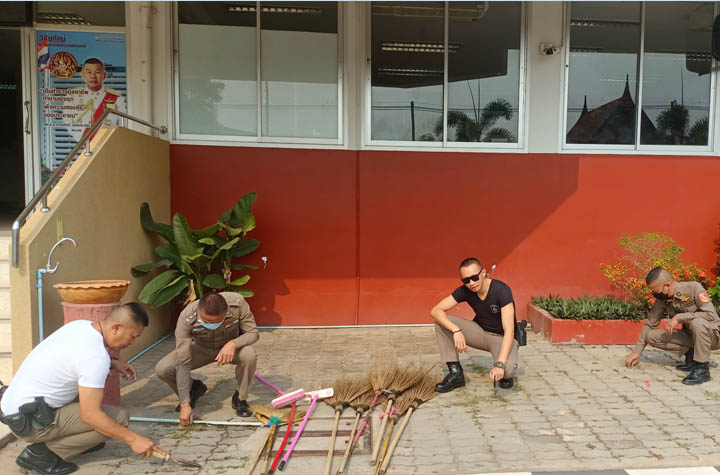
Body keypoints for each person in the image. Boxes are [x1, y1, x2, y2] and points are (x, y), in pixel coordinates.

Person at [0, 303, 156, 475]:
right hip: (31, 423)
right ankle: (40, 456)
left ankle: (80, 440)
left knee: (94, 407)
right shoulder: (96, 357)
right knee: (118, 419)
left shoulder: (81, 326)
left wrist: (112, 363)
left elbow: (77, 358)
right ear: (116, 328)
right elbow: (90, 415)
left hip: (14, 408)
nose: (132, 343)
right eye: (132, 337)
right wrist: (134, 439)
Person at [155, 292, 259, 425]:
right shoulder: (187, 316)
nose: (211, 324)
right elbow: (183, 360)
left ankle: (240, 398)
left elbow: (253, 333)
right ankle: (193, 389)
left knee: (249, 355)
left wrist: (233, 343)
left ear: (226, 312)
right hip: (201, 348)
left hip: (229, 348)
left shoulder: (237, 304)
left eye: (217, 322)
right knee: (163, 369)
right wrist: (184, 404)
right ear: (199, 311)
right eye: (206, 321)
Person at [431, 257, 519, 392]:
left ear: (483, 273)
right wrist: (456, 330)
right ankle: (456, 374)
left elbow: (509, 331)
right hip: (480, 333)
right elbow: (436, 310)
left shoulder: (501, 290)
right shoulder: (465, 290)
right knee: (441, 323)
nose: (471, 283)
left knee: (506, 371)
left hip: (502, 338)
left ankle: (506, 375)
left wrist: (500, 365)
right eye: (466, 280)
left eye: (474, 277)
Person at [625, 267, 720, 385]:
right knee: (651, 336)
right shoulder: (662, 299)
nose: (654, 293)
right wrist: (637, 352)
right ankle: (692, 357)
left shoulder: (694, 288)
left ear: (667, 285)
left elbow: (711, 315)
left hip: (713, 336)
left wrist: (679, 318)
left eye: (656, 290)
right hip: (692, 336)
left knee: (697, 322)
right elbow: (650, 323)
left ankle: (702, 369)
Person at [68, 57, 126, 142]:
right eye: (89, 72)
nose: (93, 76)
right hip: (81, 145)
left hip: (108, 143)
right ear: (82, 75)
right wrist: (83, 141)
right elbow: (68, 123)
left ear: (104, 75)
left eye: (97, 72)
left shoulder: (117, 99)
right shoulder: (72, 98)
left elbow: (122, 125)